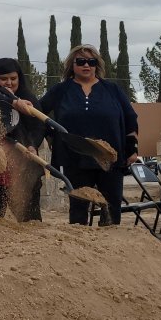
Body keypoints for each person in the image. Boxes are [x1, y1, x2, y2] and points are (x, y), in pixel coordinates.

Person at [38, 45, 139, 225]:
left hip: (109, 159)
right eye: (81, 61)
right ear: (72, 64)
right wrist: (53, 136)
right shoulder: (61, 90)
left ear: (97, 64)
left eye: (91, 62)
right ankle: (81, 249)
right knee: (78, 208)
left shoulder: (112, 90)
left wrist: (132, 148)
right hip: (75, 158)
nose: (87, 65)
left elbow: (130, 118)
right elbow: (39, 114)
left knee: (111, 207)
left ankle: (109, 247)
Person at [0, 58, 46, 221]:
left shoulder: (29, 99)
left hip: (23, 167)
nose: (9, 82)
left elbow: (38, 127)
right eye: (3, 79)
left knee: (30, 219)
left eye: (13, 78)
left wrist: (32, 145)